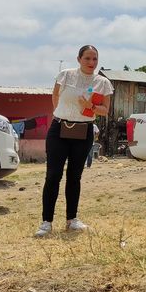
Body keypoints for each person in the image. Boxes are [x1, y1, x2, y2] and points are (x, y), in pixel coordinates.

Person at [35, 45, 113, 237]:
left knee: (74, 176)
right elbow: (55, 95)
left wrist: (90, 106)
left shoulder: (103, 82)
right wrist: (62, 115)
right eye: (87, 58)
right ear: (78, 59)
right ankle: (46, 222)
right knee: (53, 176)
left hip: (84, 131)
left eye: (95, 59)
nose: (91, 62)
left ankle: (72, 220)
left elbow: (105, 110)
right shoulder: (65, 75)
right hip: (59, 129)